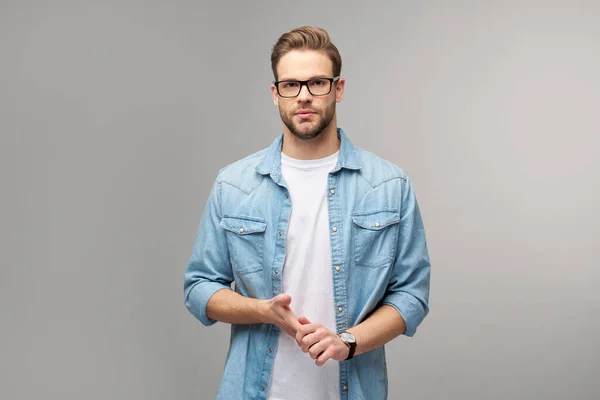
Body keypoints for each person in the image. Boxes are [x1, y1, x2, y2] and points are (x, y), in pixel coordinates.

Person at [184, 26, 431, 400]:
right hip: (254, 390)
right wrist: (262, 310)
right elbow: (199, 287)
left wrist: (347, 341)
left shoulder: (389, 185)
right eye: (291, 85)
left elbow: (411, 295)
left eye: (317, 83)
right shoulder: (233, 185)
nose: (303, 97)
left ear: (338, 88)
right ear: (275, 93)